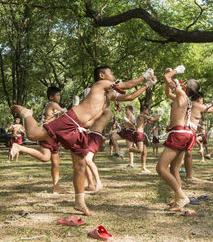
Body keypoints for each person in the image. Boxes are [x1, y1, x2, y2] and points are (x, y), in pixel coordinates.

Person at [11, 66, 156, 216]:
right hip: (71, 120)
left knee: (80, 165)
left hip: (79, 129)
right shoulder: (100, 85)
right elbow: (125, 85)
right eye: (110, 73)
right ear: (102, 75)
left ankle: (79, 203)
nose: (113, 75)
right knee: (34, 135)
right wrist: (144, 77)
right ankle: (26, 113)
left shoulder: (109, 95)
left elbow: (130, 96)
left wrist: (147, 85)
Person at [9, 86, 70, 193]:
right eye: (57, 95)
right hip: (48, 133)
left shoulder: (50, 106)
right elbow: (65, 114)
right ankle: (19, 147)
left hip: (53, 135)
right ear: (51, 97)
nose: (59, 97)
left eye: (60, 95)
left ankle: (56, 187)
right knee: (46, 157)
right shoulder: (53, 104)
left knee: (56, 162)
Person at [156, 65, 200, 211]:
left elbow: (167, 79)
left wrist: (174, 71)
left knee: (160, 168)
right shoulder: (183, 97)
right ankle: (179, 201)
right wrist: (168, 73)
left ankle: (181, 196)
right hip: (186, 134)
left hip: (179, 134)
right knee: (174, 169)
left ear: (186, 85)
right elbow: (168, 92)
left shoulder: (182, 94)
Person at [184, 92, 213, 182]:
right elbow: (210, 110)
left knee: (186, 154)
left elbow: (206, 106)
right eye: (202, 100)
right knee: (187, 154)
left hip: (186, 130)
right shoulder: (196, 104)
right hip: (188, 131)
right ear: (199, 99)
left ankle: (187, 175)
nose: (202, 102)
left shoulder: (190, 103)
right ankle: (188, 176)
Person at [85, 108, 113, 193]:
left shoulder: (107, 111)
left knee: (87, 159)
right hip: (89, 135)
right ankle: (90, 185)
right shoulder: (97, 108)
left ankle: (98, 182)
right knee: (88, 161)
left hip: (95, 136)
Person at [127, 105, 161, 172]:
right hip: (138, 133)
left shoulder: (143, 117)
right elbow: (153, 119)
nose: (148, 111)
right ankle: (125, 150)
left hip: (141, 134)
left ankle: (143, 168)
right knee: (140, 150)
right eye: (148, 110)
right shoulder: (141, 115)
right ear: (144, 110)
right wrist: (159, 115)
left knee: (144, 152)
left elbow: (151, 120)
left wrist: (155, 114)